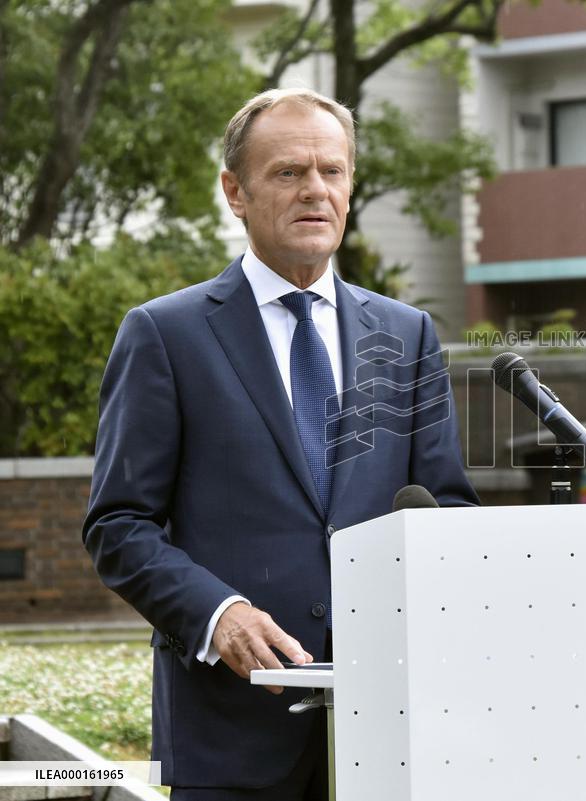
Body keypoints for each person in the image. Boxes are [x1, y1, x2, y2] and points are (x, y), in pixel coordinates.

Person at [82, 88, 479, 799]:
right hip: (229, 735)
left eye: (332, 170)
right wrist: (216, 612)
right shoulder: (165, 335)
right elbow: (117, 524)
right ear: (235, 191)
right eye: (289, 172)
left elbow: (443, 508)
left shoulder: (408, 335)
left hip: (389, 732)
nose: (315, 190)